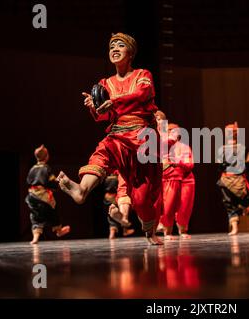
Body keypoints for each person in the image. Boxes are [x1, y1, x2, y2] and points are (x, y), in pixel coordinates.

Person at [56, 33, 163, 245]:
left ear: (130, 53)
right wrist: (94, 108)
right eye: (111, 46)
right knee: (103, 152)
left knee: (142, 197)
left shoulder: (143, 74)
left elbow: (142, 94)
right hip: (118, 133)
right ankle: (81, 190)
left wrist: (113, 102)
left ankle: (149, 232)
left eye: (120, 45)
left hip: (143, 137)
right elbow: (104, 116)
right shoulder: (105, 83)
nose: (114, 49)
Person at [25, 145, 70, 244]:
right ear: (47, 157)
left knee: (35, 215)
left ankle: (35, 238)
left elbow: (28, 180)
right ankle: (59, 230)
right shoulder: (46, 168)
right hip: (43, 196)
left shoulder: (32, 168)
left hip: (32, 195)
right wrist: (57, 182)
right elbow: (51, 181)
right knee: (53, 211)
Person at [157, 123, 195, 240]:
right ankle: (167, 232)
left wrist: (178, 162)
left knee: (184, 206)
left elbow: (190, 164)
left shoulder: (184, 147)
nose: (173, 133)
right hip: (170, 178)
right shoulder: (163, 147)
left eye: (175, 131)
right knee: (168, 205)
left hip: (186, 180)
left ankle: (182, 230)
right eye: (170, 130)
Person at [217, 122, 249, 236]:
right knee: (229, 202)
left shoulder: (242, 148)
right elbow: (220, 166)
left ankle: (247, 206)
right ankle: (234, 226)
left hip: (237, 179)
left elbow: (248, 165)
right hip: (227, 179)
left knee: (240, 202)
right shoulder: (223, 149)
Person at [103, 172, 134, 239]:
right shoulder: (117, 177)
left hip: (107, 196)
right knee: (124, 212)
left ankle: (112, 233)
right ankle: (125, 230)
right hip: (115, 196)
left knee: (110, 216)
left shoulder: (106, 178)